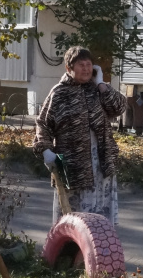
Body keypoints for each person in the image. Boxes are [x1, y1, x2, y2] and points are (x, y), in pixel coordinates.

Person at [33, 46, 127, 225]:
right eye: (81, 65)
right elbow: (43, 123)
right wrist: (45, 149)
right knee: (73, 216)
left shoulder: (98, 89)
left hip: (101, 162)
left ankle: (100, 248)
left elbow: (119, 107)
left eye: (89, 64)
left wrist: (101, 84)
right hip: (72, 164)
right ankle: (71, 251)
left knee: (100, 214)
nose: (86, 69)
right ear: (69, 68)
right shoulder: (59, 93)